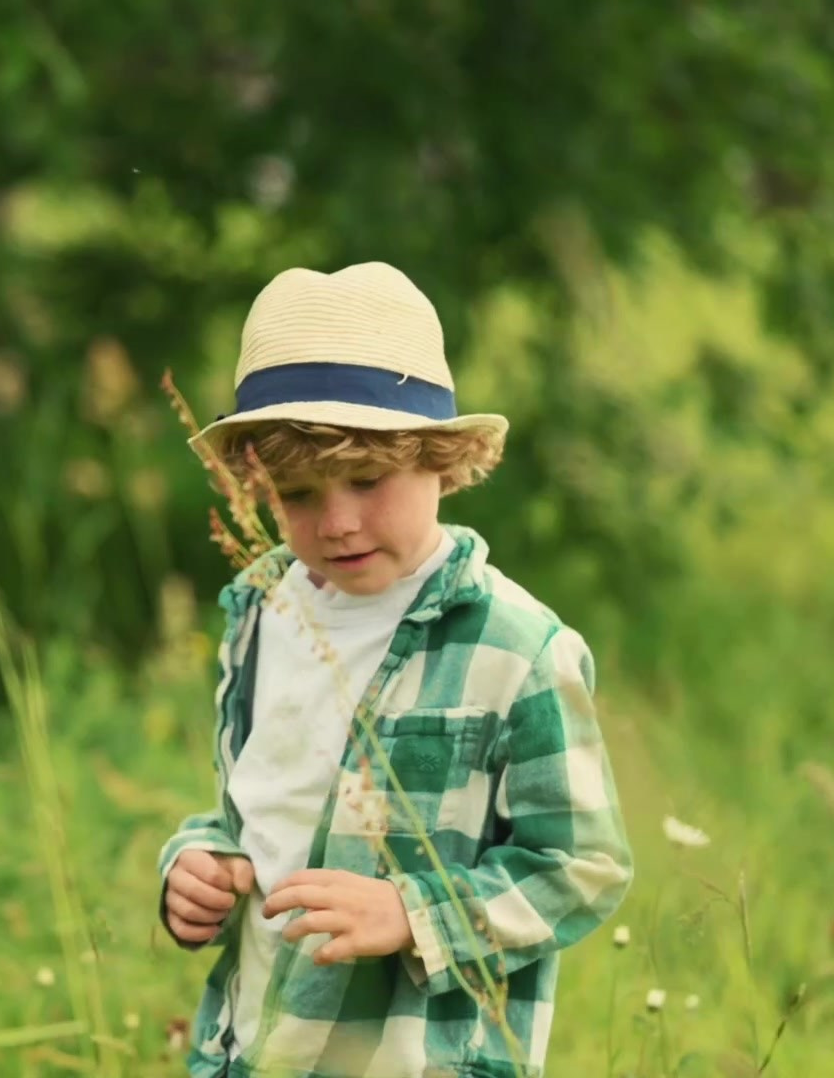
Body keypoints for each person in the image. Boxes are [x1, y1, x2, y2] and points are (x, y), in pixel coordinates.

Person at [157, 262, 633, 1077]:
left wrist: (416, 914)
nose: (336, 523)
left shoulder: (517, 648)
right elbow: (263, 813)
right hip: (254, 1047)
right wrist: (199, 862)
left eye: (367, 480)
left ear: (443, 459)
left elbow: (583, 866)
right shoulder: (262, 615)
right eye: (298, 495)